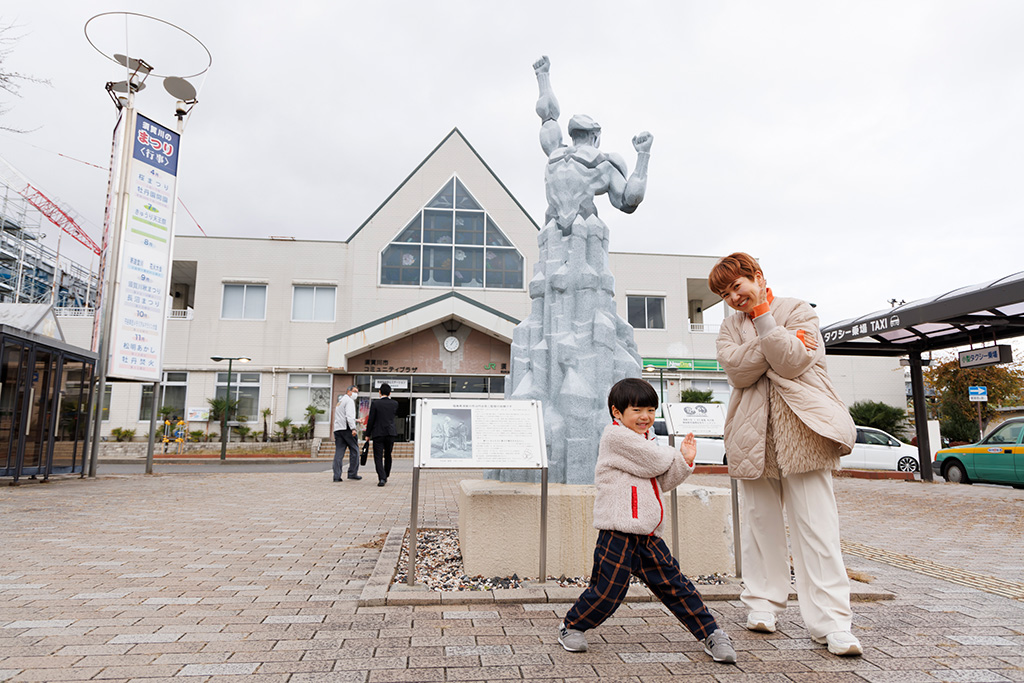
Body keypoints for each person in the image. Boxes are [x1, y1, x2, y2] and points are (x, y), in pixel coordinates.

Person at [709, 252, 862, 657]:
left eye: (737, 286)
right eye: (725, 294)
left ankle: (833, 623)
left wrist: (764, 322)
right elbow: (737, 372)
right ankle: (762, 604)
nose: (733, 298)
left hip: (804, 432)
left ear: (757, 277)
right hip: (751, 437)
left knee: (818, 530)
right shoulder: (728, 326)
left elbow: (792, 363)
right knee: (760, 527)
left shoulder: (797, 310)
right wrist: (775, 343)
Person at [557, 378, 737, 664]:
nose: (646, 417)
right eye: (638, 410)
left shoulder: (647, 440)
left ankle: (711, 633)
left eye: (651, 410)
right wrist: (675, 454)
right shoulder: (616, 437)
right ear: (617, 412)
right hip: (618, 530)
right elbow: (655, 461)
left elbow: (662, 481)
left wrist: (685, 462)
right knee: (608, 591)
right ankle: (572, 626)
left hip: (647, 533)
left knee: (675, 585)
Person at [364, 382, 398, 487]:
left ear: (379, 392)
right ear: (390, 393)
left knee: (378, 456)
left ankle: (382, 477)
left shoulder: (375, 404)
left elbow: (371, 420)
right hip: (390, 433)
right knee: (388, 455)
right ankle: (386, 474)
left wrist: (367, 434)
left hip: (378, 433)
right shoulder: (395, 403)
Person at [333, 385, 360, 482]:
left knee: (339, 453)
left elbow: (342, 416)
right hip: (347, 429)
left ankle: (337, 476)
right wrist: (353, 428)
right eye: (354, 391)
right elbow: (349, 416)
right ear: (349, 391)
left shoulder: (340, 401)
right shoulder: (349, 401)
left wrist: (356, 420)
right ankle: (352, 473)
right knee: (355, 450)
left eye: (357, 392)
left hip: (338, 429)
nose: (356, 394)